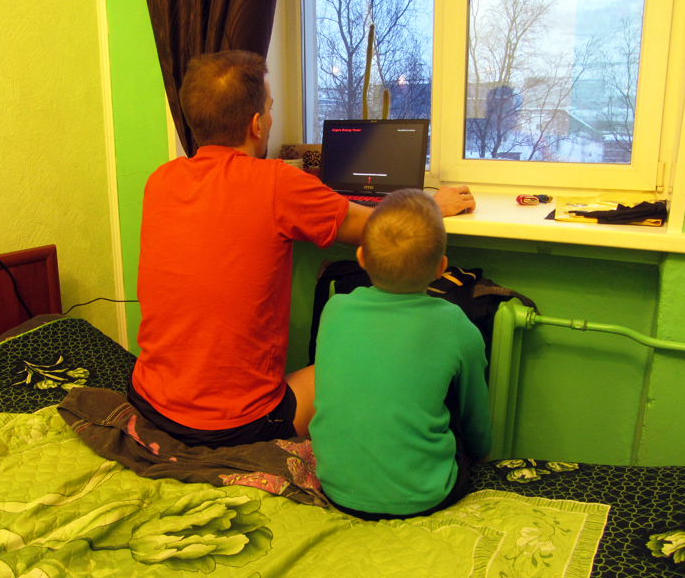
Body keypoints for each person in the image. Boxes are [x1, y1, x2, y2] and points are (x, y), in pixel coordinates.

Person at [128, 50, 476, 449]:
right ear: (256, 124)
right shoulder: (277, 183)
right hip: (236, 427)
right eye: (270, 108)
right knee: (358, 361)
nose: (271, 118)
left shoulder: (160, 181)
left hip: (148, 402)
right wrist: (434, 205)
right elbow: (383, 228)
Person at [309, 189, 492, 520]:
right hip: (426, 495)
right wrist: (480, 456)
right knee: (450, 388)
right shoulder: (455, 324)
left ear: (361, 257)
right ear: (441, 268)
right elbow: (475, 418)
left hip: (337, 489)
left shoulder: (334, 308)